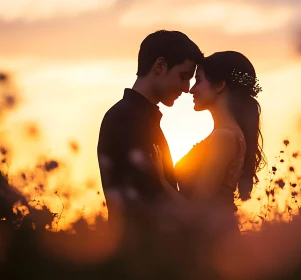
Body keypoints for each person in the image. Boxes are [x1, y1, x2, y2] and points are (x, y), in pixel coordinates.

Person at [97, 30, 204, 224]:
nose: (187, 88)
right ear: (160, 66)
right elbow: (146, 200)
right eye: (183, 76)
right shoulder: (127, 118)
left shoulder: (140, 117)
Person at [152, 51, 266, 227]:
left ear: (220, 85)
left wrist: (161, 180)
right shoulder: (228, 134)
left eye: (198, 80)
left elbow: (196, 211)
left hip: (213, 240)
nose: (191, 89)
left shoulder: (224, 136)